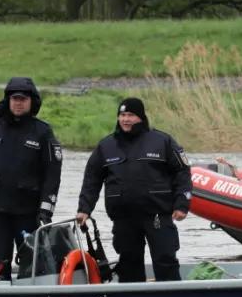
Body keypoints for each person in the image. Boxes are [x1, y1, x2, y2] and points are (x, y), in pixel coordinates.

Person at [75, 97, 192, 283]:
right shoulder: (106, 146)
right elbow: (92, 180)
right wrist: (84, 209)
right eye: (122, 115)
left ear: (141, 117)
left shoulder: (162, 141)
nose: (126, 120)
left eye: (130, 115)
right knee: (128, 263)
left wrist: (182, 204)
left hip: (157, 216)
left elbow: (183, 174)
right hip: (124, 218)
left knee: (165, 260)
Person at [0, 77, 63, 280]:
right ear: (8, 100)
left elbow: (52, 174)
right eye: (14, 98)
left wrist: (46, 209)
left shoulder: (43, 132)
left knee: (31, 265)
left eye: (23, 99)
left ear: (32, 102)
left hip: (28, 213)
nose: (18, 103)